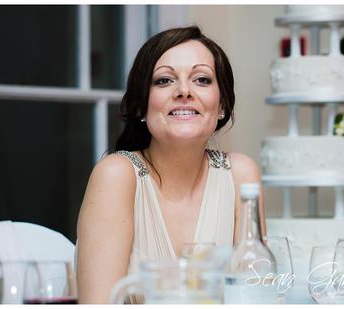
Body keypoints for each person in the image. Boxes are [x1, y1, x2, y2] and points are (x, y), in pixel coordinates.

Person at [76, 26, 266, 304]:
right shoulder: (117, 175)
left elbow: (256, 297)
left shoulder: (240, 175)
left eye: (201, 79)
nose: (184, 91)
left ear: (222, 103)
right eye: (164, 80)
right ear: (141, 105)